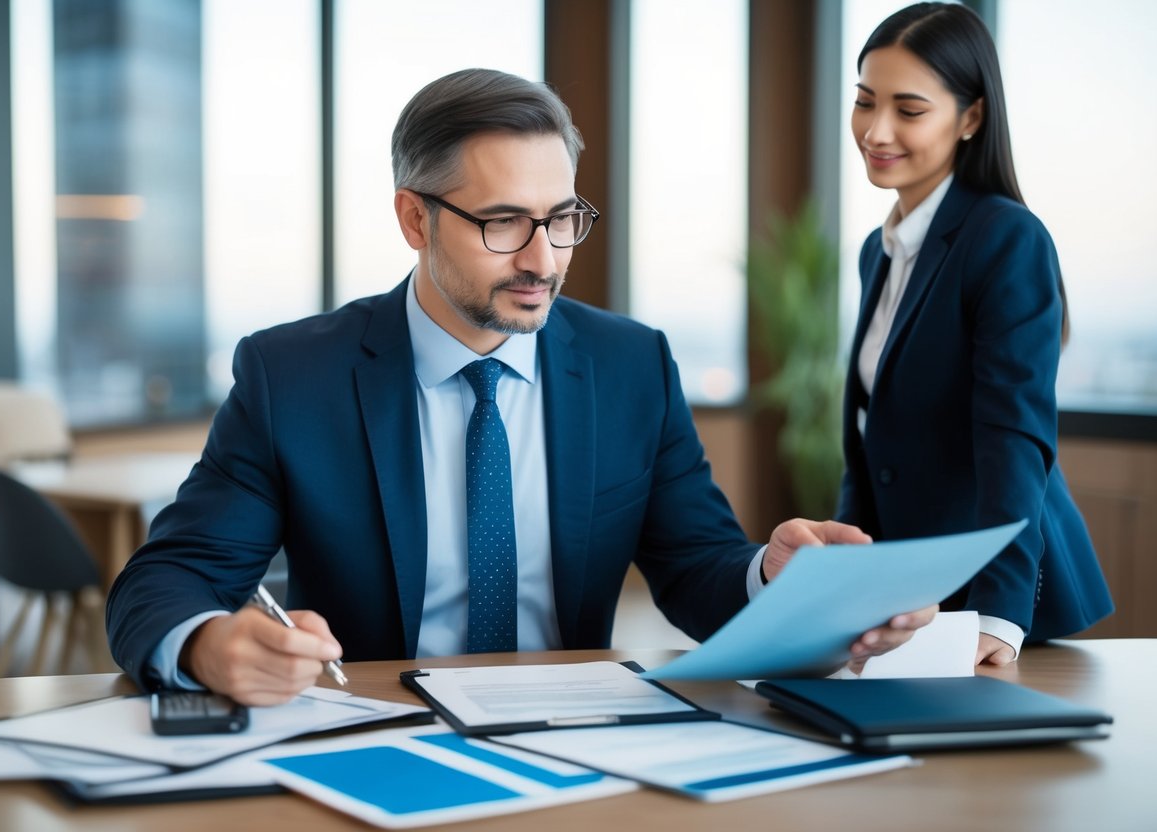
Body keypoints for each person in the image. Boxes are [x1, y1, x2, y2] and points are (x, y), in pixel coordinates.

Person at [107, 68, 934, 705]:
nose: (543, 260)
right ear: (413, 219)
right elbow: (166, 580)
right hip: (374, 736)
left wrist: (771, 578)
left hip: (577, 742)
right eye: (502, 223)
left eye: (562, 217)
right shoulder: (294, 375)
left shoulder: (629, 364)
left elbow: (694, 567)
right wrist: (208, 645)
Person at [840, 3, 1112, 667]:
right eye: (864, 102)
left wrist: (1001, 612)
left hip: (994, 601)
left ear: (969, 117)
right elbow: (874, 437)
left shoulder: (1005, 238)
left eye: (908, 110)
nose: (876, 130)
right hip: (915, 595)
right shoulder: (878, 253)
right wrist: (848, 577)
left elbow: (1012, 435)